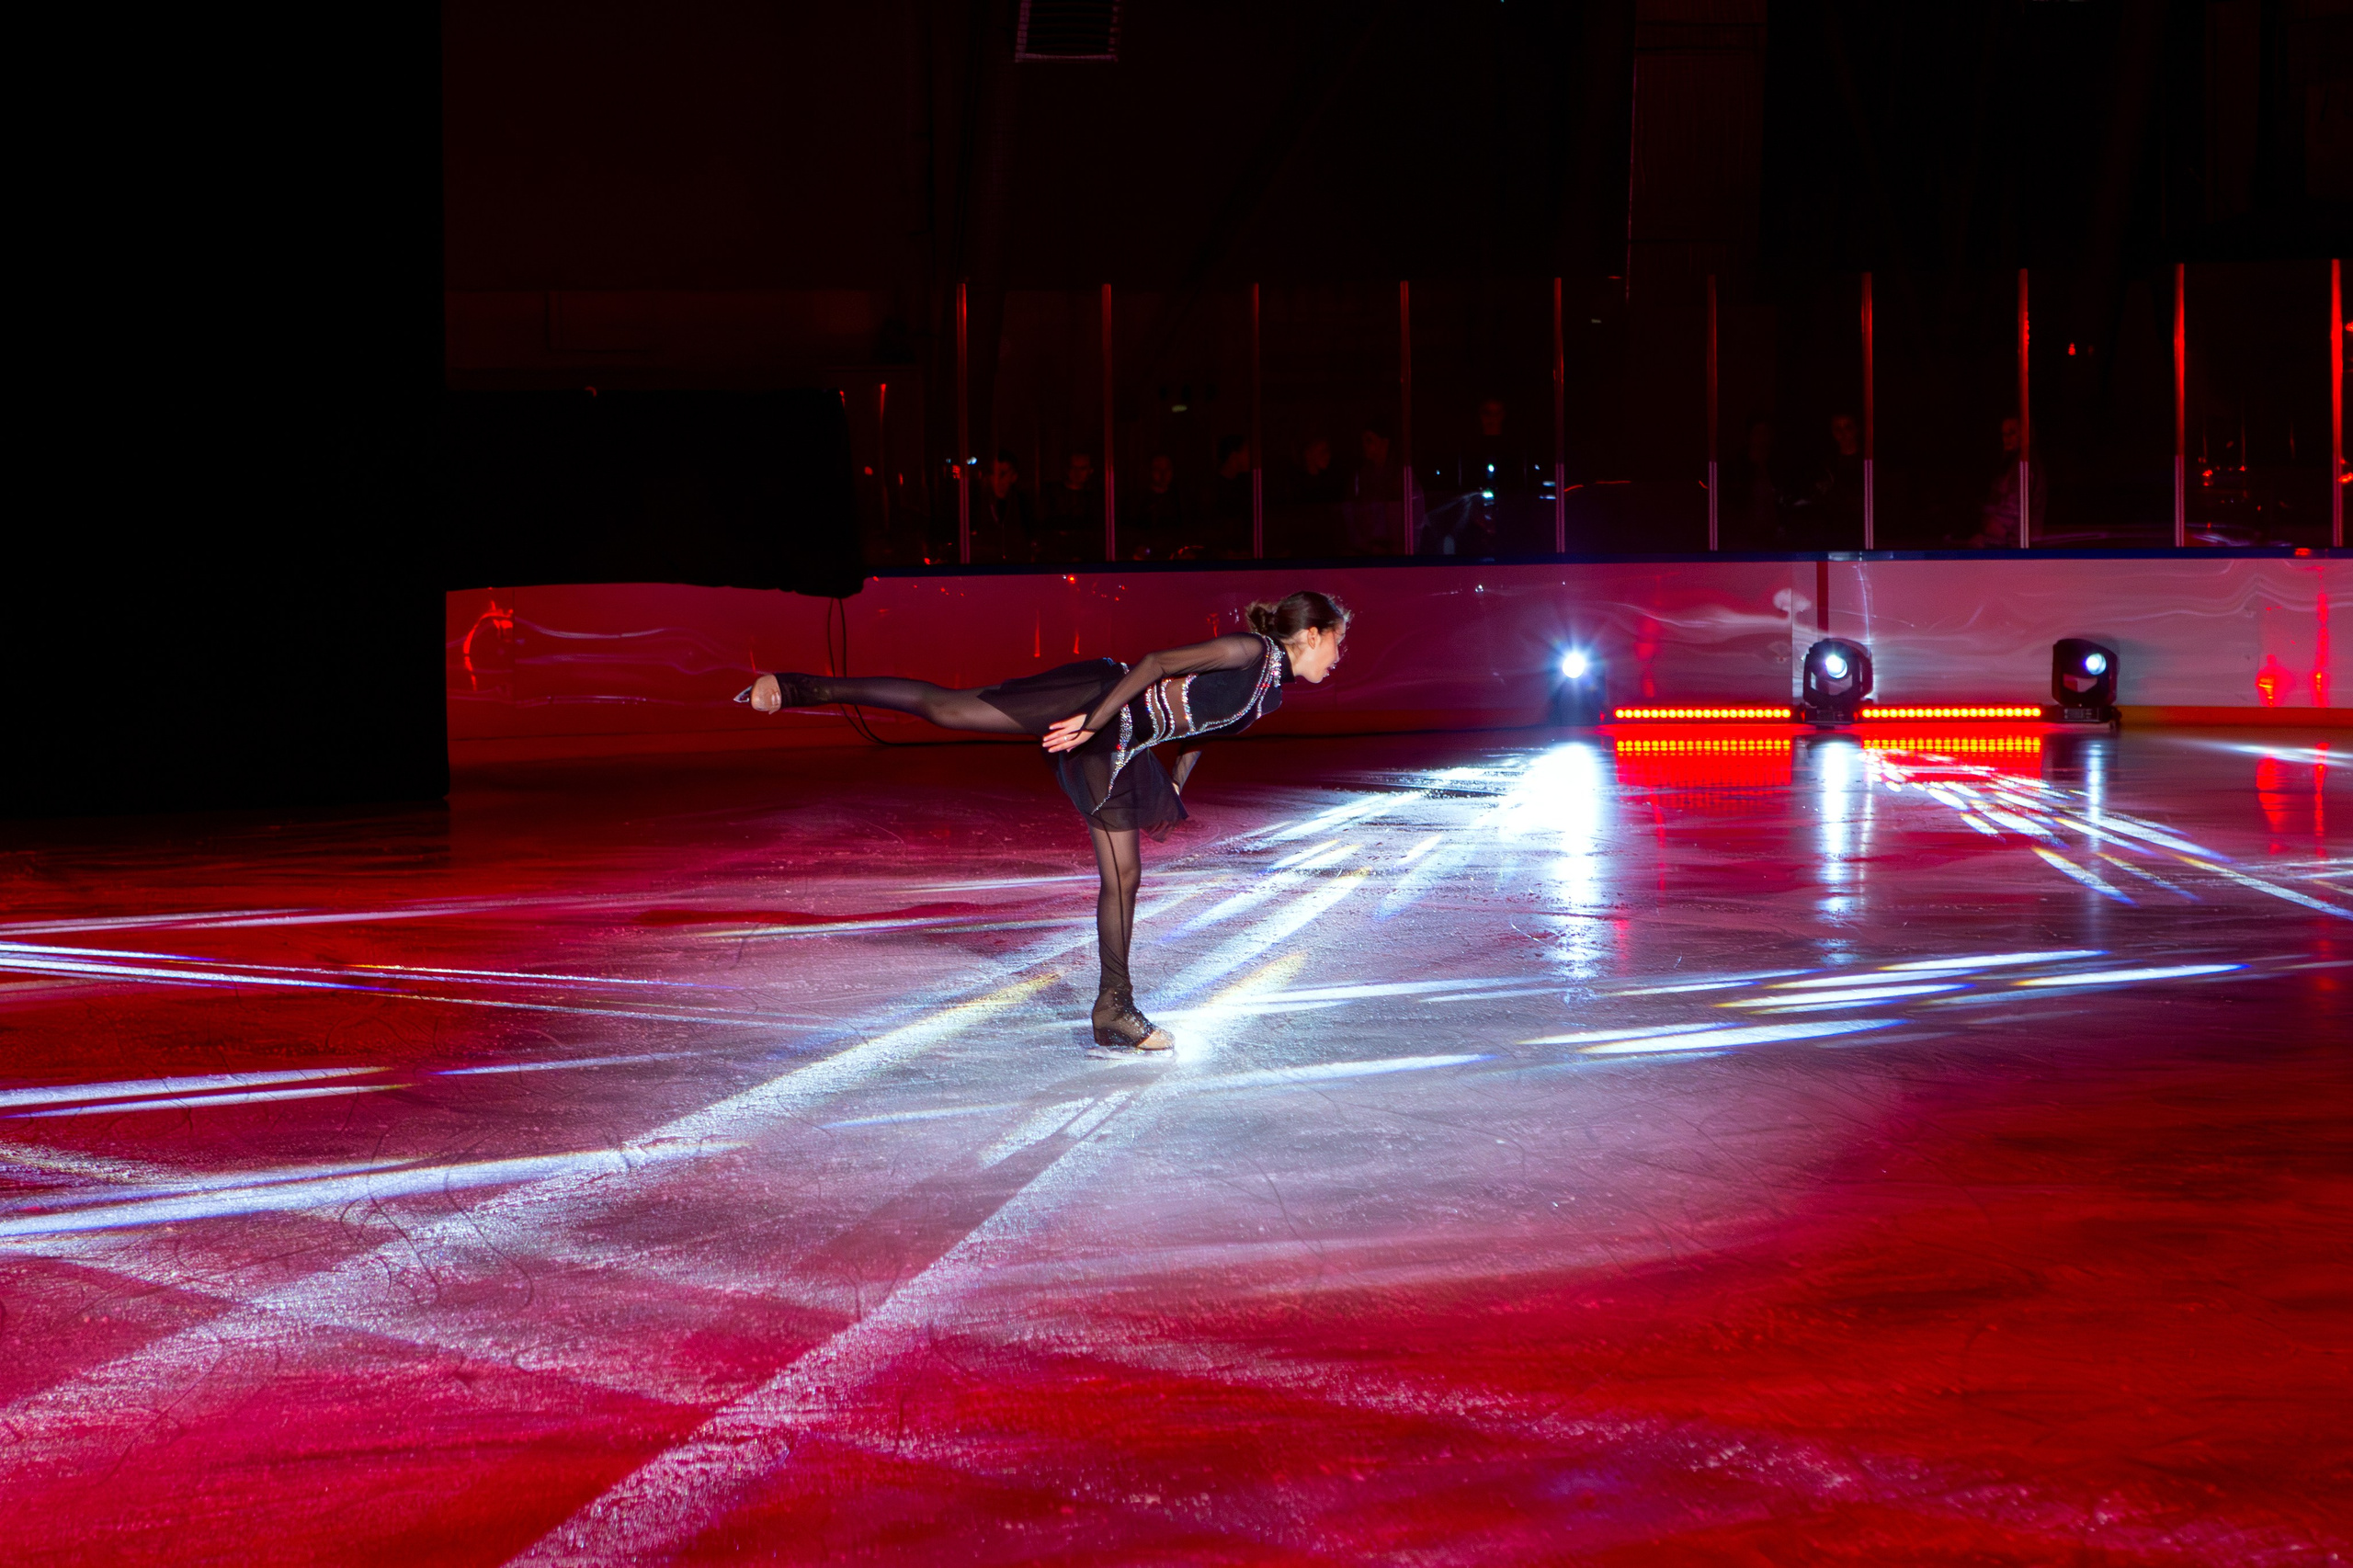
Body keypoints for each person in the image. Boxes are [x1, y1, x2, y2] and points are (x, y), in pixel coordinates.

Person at [735, 591, 1352, 1057]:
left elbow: (1201, 732)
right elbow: (1157, 662)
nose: (1339, 656)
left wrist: (1169, 787)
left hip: (1121, 743)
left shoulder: (1270, 692)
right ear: (1315, 633)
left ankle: (1114, 1009)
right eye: (1337, 642)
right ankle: (800, 687)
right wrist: (1089, 720)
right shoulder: (1251, 652)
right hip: (1097, 700)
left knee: (1126, 877)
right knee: (949, 708)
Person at [1971, 415, 2045, 548]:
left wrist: (1988, 538)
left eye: (2012, 433)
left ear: (2025, 435)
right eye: (2004, 434)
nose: (2006, 438)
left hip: (2016, 547)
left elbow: (2011, 511)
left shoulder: (2023, 465)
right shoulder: (2012, 465)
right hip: (2011, 545)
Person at [1039, 451, 1103, 561]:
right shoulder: (1052, 494)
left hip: (1089, 557)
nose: (1077, 473)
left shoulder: (1096, 498)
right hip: (1057, 558)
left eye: (1082, 468)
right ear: (1067, 469)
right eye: (1073, 468)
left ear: (1090, 471)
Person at [975, 451, 1035, 563]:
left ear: (1014, 477)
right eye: (993, 473)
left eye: (1002, 474)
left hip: (1017, 568)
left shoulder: (1023, 504)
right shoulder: (978, 503)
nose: (997, 480)